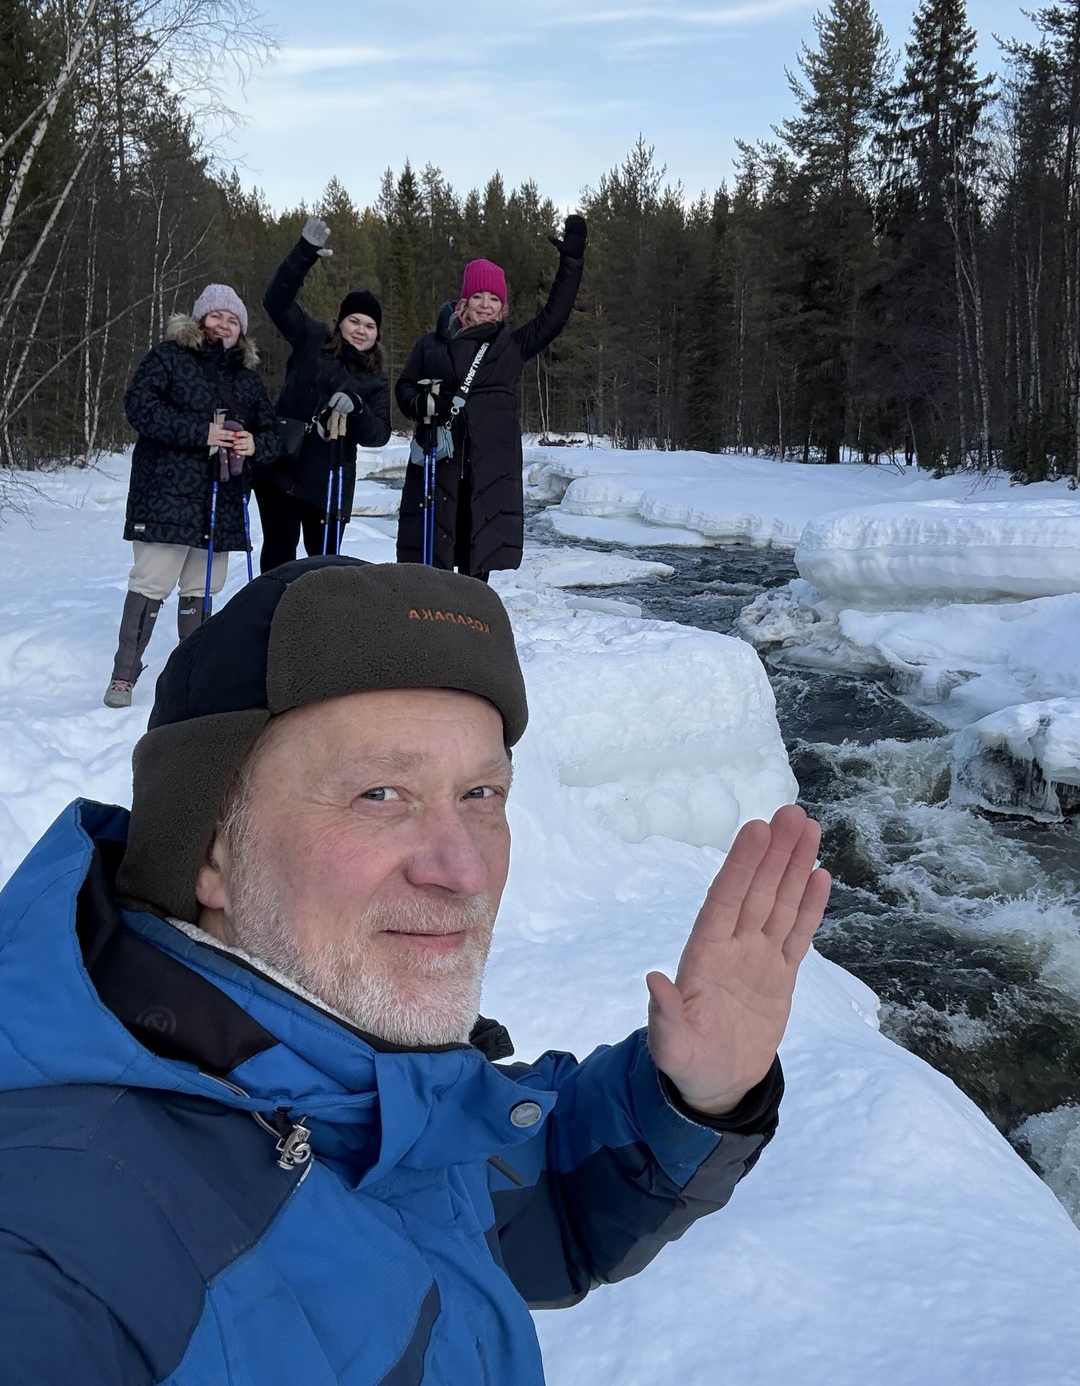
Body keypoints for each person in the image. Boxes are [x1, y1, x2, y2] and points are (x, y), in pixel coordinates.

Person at [0, 557, 830, 1383]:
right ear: (210, 847)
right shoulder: (60, 1252)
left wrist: (692, 1099)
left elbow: (517, 1210)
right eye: (381, 795)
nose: (462, 871)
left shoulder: (355, 1096)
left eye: (480, 795)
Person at [104, 284, 280, 709]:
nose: (224, 325)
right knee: (151, 582)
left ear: (242, 331)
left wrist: (254, 445)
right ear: (200, 320)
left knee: (201, 588)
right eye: (217, 316)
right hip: (165, 495)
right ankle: (124, 676)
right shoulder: (168, 358)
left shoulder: (249, 381)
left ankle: (192, 672)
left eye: (233, 320)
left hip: (220, 502)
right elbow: (139, 407)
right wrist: (200, 433)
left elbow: (273, 435)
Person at [396, 216, 587, 579]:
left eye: (494, 298)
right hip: (440, 472)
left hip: (488, 475)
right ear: (463, 302)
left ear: (503, 308)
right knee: (430, 568)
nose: (486, 304)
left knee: (476, 568)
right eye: (478, 296)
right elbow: (404, 389)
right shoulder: (432, 345)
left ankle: (470, 633)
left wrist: (571, 265)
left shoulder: (511, 346)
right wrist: (420, 404)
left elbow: (555, 317)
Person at [255, 216, 391, 571]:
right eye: (354, 321)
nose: (361, 330)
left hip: (330, 482)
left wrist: (358, 408)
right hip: (282, 471)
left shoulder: (375, 379)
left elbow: (380, 434)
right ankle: (271, 622)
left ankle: (317, 627)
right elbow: (276, 301)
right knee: (279, 560)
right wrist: (303, 254)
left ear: (378, 333)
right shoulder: (312, 338)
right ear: (341, 321)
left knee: (323, 569)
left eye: (370, 325)